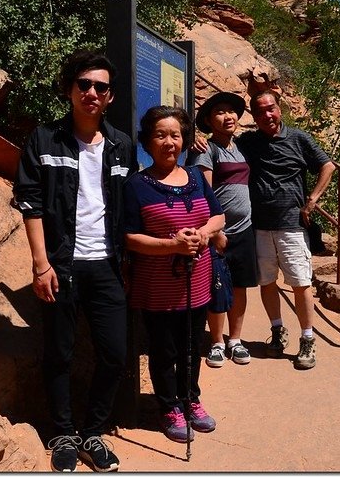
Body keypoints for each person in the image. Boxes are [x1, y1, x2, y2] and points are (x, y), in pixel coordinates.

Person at [14, 50, 136, 472]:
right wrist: (40, 264)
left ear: (110, 97)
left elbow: (135, 203)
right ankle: (63, 433)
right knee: (59, 353)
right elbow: (29, 204)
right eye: (83, 84)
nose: (91, 92)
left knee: (115, 354)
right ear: (70, 90)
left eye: (100, 87)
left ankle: (93, 433)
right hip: (61, 265)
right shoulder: (45, 138)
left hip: (106, 266)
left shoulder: (122, 145)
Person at [124, 106, 226, 443]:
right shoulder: (137, 185)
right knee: (163, 349)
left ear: (183, 140)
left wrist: (203, 234)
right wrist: (172, 245)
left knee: (191, 346)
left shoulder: (196, 177)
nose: (169, 142)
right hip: (157, 285)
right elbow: (130, 237)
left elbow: (218, 217)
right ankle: (168, 406)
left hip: (195, 281)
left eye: (175, 135)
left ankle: (190, 399)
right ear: (147, 141)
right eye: (161, 135)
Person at [236, 89, 335, 370]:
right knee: (267, 282)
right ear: (253, 117)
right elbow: (223, 145)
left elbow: (327, 166)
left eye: (271, 108)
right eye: (260, 111)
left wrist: (313, 199)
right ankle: (278, 331)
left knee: (300, 282)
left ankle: (307, 338)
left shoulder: (299, 138)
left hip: (291, 224)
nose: (267, 115)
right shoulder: (249, 142)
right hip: (259, 225)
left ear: (279, 109)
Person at [187, 92, 257, 368]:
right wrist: (215, 231)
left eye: (232, 111)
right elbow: (205, 194)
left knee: (240, 287)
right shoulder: (206, 150)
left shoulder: (241, 147)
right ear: (208, 120)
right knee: (217, 286)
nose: (228, 116)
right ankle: (216, 341)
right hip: (220, 233)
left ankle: (234, 339)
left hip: (245, 230)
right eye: (220, 112)